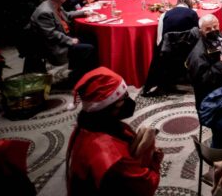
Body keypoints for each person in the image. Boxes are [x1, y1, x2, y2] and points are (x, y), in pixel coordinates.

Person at [66, 67, 162, 195]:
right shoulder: (112, 155)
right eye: (124, 98)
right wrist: (151, 155)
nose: (129, 100)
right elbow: (146, 185)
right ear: (109, 106)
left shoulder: (84, 128)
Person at [24, 0, 97, 80]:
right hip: (56, 46)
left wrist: (84, 12)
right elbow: (51, 34)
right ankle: (81, 76)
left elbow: (67, 15)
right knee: (89, 48)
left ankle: (84, 70)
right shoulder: (45, 12)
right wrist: (70, 40)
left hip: (64, 36)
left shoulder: (53, 4)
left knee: (91, 36)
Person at [185, 14, 222, 107]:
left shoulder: (218, 36)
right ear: (201, 31)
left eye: (215, 26)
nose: (213, 30)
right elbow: (201, 81)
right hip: (209, 96)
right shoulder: (198, 54)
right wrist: (221, 64)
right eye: (208, 29)